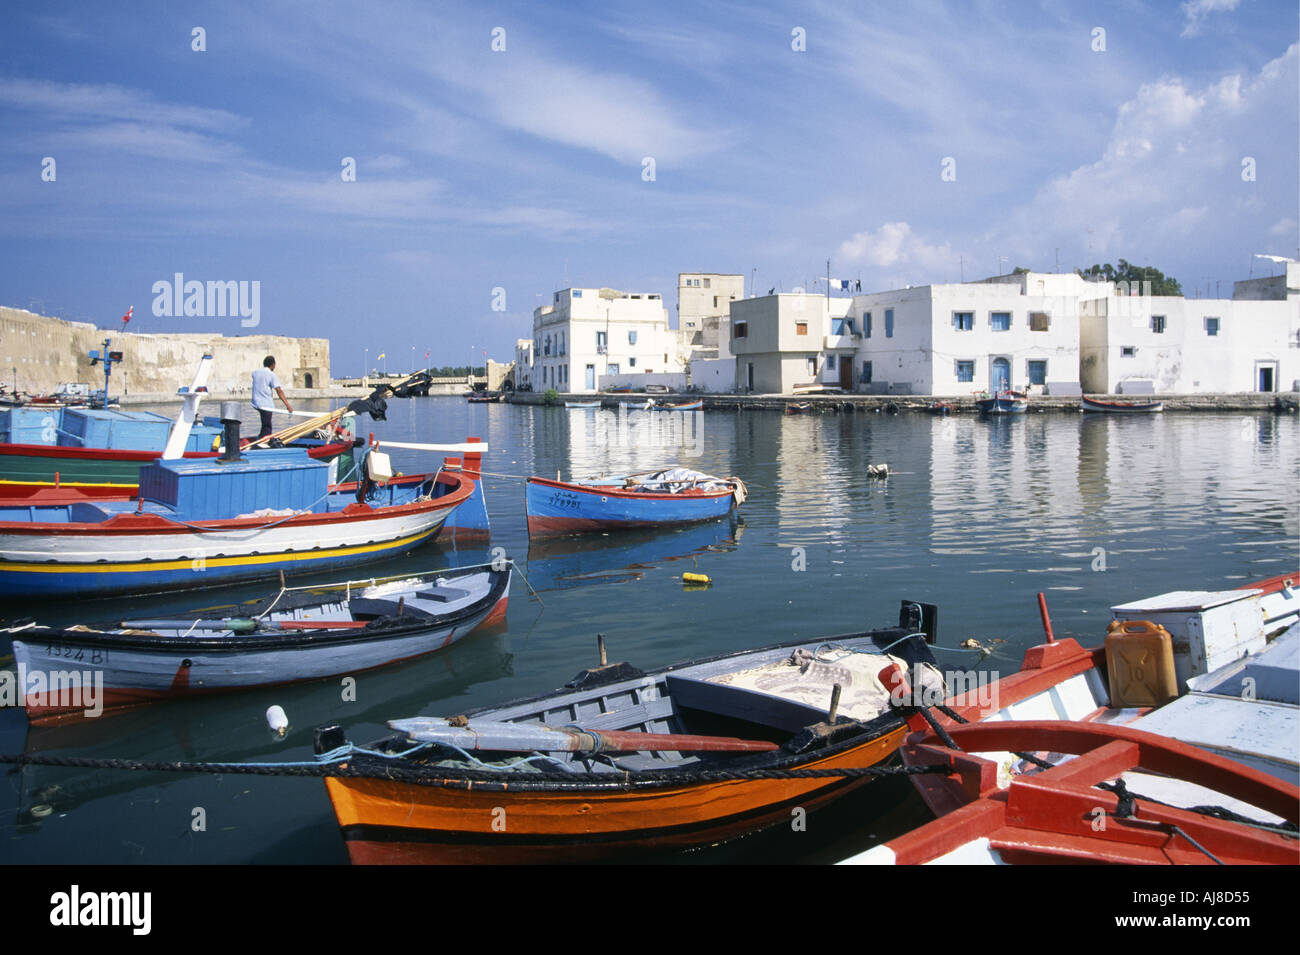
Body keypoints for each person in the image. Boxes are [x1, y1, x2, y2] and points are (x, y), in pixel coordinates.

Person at [252, 356, 292, 439]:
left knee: (264, 423)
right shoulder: (271, 374)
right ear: (273, 365)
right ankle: (264, 442)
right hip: (265, 403)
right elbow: (279, 391)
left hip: (256, 402)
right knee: (267, 425)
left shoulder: (255, 372)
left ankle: (260, 438)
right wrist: (287, 405)